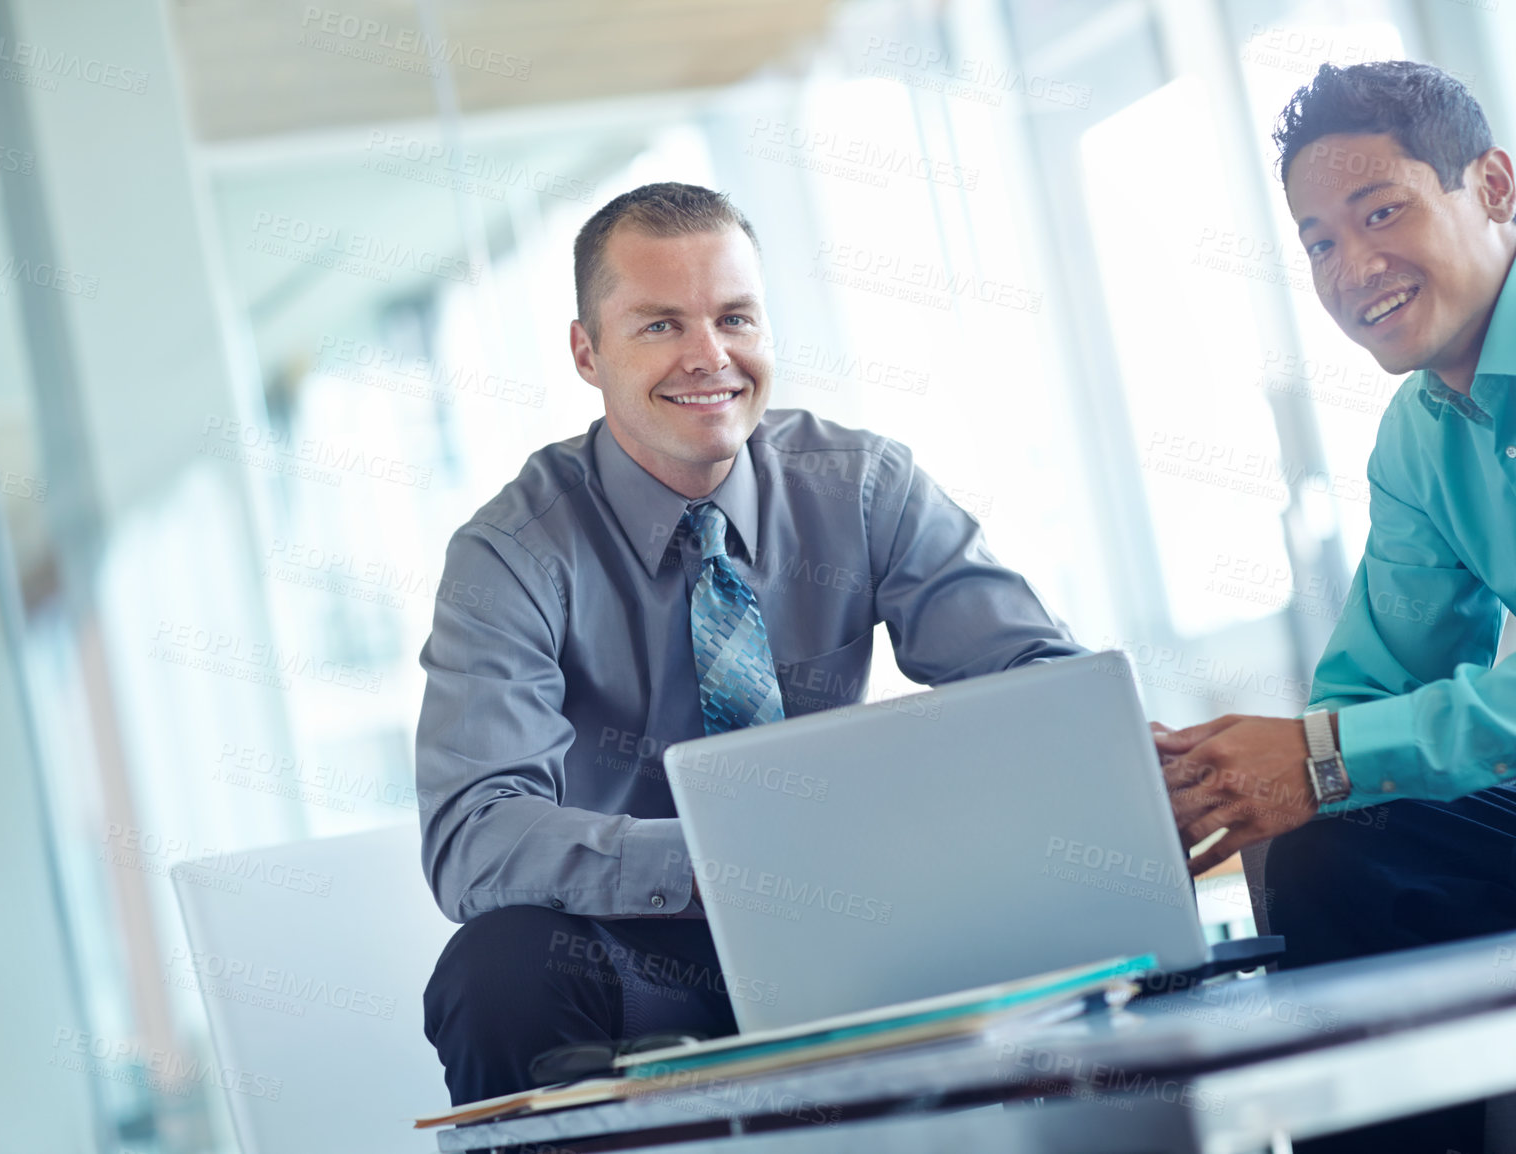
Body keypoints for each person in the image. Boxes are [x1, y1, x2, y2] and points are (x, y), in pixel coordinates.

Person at [416, 182, 1082, 1106]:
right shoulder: (513, 554)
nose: (709, 357)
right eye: (660, 326)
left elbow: (1045, 693)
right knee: (498, 971)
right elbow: (474, 835)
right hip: (654, 947)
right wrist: (736, 863)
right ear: (586, 351)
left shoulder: (859, 485)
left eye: (735, 317)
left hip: (870, 912)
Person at [1156, 62, 1516, 1152]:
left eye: (1381, 212)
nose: (1351, 266)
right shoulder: (1419, 435)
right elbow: (1370, 693)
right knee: (1336, 841)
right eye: (1319, 240)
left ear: (1494, 186)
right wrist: (1220, 770)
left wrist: (1326, 750)